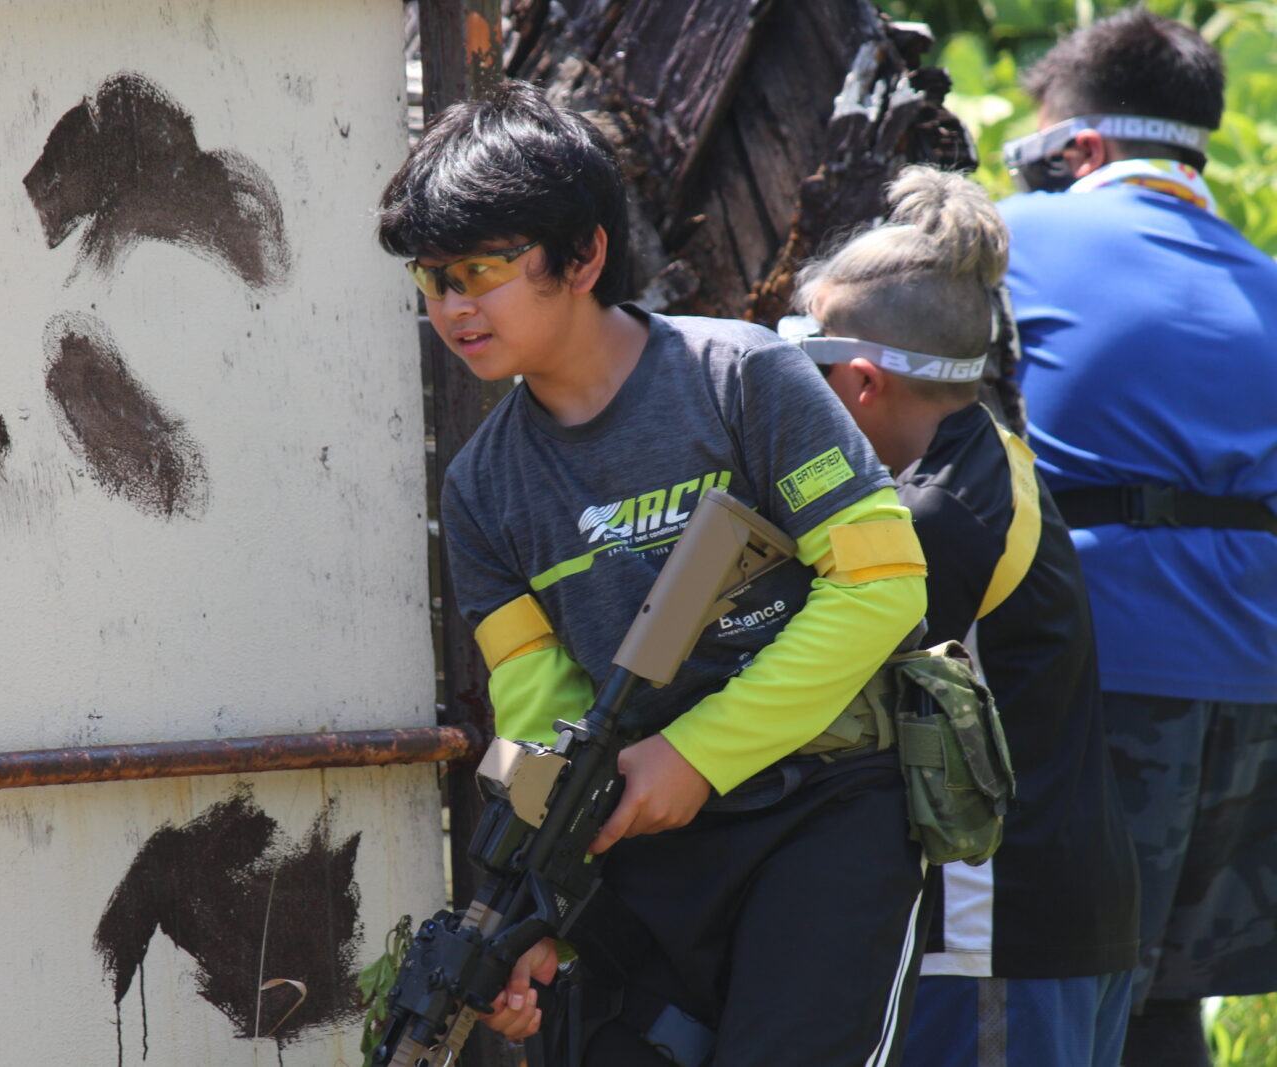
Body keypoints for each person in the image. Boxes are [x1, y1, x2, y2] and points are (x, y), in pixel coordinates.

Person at [378, 81, 931, 1065]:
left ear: (584, 255)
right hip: (645, 853)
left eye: (480, 270)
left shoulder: (742, 378)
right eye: (432, 279)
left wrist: (695, 753)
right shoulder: (479, 489)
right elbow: (542, 709)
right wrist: (533, 918)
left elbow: (882, 585)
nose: (453, 306)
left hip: (822, 811)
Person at [789, 164, 1140, 1067]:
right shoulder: (989, 449)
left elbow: (808, 694)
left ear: (863, 381)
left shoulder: (932, 519)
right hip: (1052, 911)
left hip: (993, 929)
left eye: (809, 370)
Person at [996, 12, 1277, 1065]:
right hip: (1253, 687)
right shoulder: (1267, 280)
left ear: (1078, 148)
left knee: (1048, 997)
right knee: (1163, 1004)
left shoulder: (1014, 239)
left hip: (1094, 668)